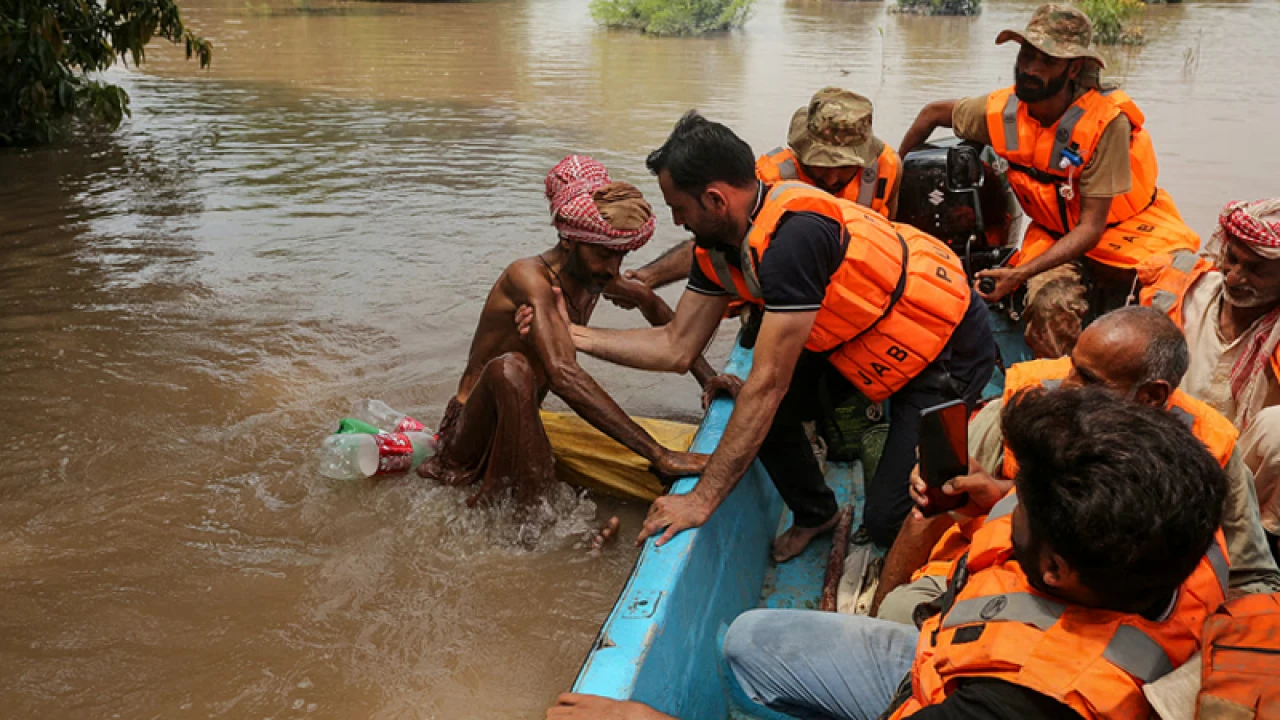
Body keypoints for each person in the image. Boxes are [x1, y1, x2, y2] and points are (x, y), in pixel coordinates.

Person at [548, 388, 1231, 720]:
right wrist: (982, 496)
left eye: (1022, 505)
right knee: (752, 641)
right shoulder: (1176, 525)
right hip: (953, 655)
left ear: (1055, 571)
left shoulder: (1021, 708)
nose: (1008, 505)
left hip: (969, 689)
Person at [520, 112, 995, 559]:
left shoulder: (793, 238)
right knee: (759, 408)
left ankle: (981, 535)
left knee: (891, 518)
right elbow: (676, 346)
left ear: (715, 200)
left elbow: (768, 384)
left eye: (679, 208)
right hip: (864, 340)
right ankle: (818, 514)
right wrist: (573, 333)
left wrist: (701, 500)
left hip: (944, 344)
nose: (677, 223)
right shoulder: (719, 245)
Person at [875, 306, 1280, 625]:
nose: (1065, 388)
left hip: (1139, 615)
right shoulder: (1022, 404)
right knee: (897, 612)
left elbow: (1251, 581)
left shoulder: (1212, 448)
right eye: (1071, 366)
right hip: (996, 578)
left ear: (1152, 397)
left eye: (1087, 379)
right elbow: (930, 513)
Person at [418, 155, 719, 511]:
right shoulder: (529, 278)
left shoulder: (597, 277)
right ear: (568, 240)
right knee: (511, 369)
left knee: (519, 374)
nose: (612, 268)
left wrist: (709, 380)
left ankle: (529, 504)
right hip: (468, 434)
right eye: (604, 254)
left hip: (523, 419)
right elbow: (562, 373)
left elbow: (658, 313)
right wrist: (658, 454)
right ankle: (533, 516)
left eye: (620, 256)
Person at [899, 4, 1199, 359]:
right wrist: (895, 178)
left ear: (1073, 68)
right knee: (1047, 305)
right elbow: (932, 114)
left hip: (1128, 232)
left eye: (1046, 61)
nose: (1029, 68)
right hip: (1053, 233)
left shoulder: (1106, 124)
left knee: (1173, 305)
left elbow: (1091, 228)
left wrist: (1019, 273)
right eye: (1026, 54)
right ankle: (1062, 393)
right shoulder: (1002, 111)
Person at [611, 88, 902, 305]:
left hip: (857, 294)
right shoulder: (768, 175)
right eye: (822, 164)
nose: (831, 178)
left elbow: (892, 235)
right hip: (786, 296)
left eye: (844, 166)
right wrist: (649, 277)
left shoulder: (887, 167)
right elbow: (714, 234)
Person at [1139, 198, 1280, 561]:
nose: (1234, 276)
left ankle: (1249, 546)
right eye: (1231, 258)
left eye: (1256, 270)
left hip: (1243, 481)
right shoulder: (1185, 293)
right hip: (1160, 454)